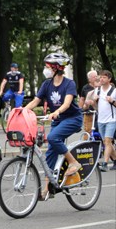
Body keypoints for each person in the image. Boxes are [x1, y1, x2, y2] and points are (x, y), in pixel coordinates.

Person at [24, 53, 82, 199]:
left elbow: (67, 103)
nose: (45, 69)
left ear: (56, 68)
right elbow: (36, 101)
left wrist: (56, 112)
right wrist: (23, 110)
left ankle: (73, 163)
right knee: (50, 153)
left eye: (47, 66)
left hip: (72, 118)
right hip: (58, 120)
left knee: (53, 137)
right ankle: (47, 189)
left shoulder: (69, 84)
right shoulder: (46, 84)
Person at [84, 70, 116, 171]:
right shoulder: (97, 91)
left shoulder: (114, 91)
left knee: (107, 141)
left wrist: (112, 101)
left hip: (112, 119)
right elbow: (95, 106)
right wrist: (92, 102)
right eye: (101, 77)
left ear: (109, 79)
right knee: (107, 143)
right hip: (100, 120)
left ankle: (105, 164)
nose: (101, 79)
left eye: (104, 77)